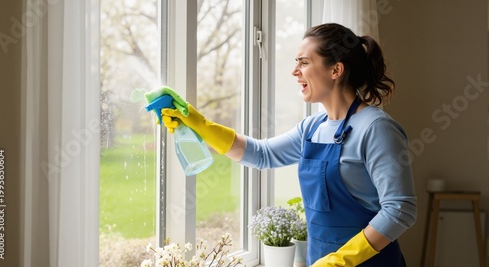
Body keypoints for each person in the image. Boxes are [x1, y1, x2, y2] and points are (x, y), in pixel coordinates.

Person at [161, 23, 417, 267]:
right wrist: (199, 124)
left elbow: (400, 209)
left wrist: (341, 260)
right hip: (318, 259)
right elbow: (261, 154)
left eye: (304, 63)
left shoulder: (376, 128)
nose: (295, 71)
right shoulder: (312, 128)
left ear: (335, 70)